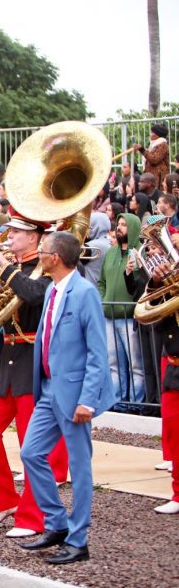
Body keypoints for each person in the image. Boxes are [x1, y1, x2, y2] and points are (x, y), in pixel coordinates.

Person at [0, 208, 68, 538]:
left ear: (35, 237)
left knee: (33, 446)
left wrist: (3, 264)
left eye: (16, 232)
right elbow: (11, 304)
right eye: (9, 232)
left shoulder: (48, 267)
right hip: (8, 361)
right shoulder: (14, 270)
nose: (8, 236)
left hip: (33, 363)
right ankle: (2, 502)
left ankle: (34, 517)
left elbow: (36, 294)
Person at [19, 231, 115, 564]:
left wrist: (88, 399)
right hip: (48, 390)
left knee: (79, 468)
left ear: (55, 258)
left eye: (42, 250)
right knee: (31, 453)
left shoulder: (84, 292)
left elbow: (97, 352)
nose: (38, 254)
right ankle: (57, 523)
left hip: (74, 396)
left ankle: (79, 539)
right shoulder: (52, 290)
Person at [97, 212, 145, 407]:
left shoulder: (140, 252)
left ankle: (136, 404)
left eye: (124, 225)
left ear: (132, 228)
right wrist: (103, 301)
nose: (119, 228)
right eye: (118, 224)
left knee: (135, 365)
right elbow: (101, 282)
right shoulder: (110, 252)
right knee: (114, 365)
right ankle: (118, 403)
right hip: (109, 315)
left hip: (129, 317)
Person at [148, 255, 179, 514]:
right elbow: (152, 313)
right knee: (174, 430)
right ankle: (178, 494)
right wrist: (157, 282)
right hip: (174, 363)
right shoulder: (172, 275)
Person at [135, 124, 170, 189]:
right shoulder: (153, 145)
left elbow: (154, 159)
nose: (150, 134)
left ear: (156, 135)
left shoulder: (163, 145)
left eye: (152, 132)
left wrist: (142, 150)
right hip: (152, 177)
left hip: (158, 178)